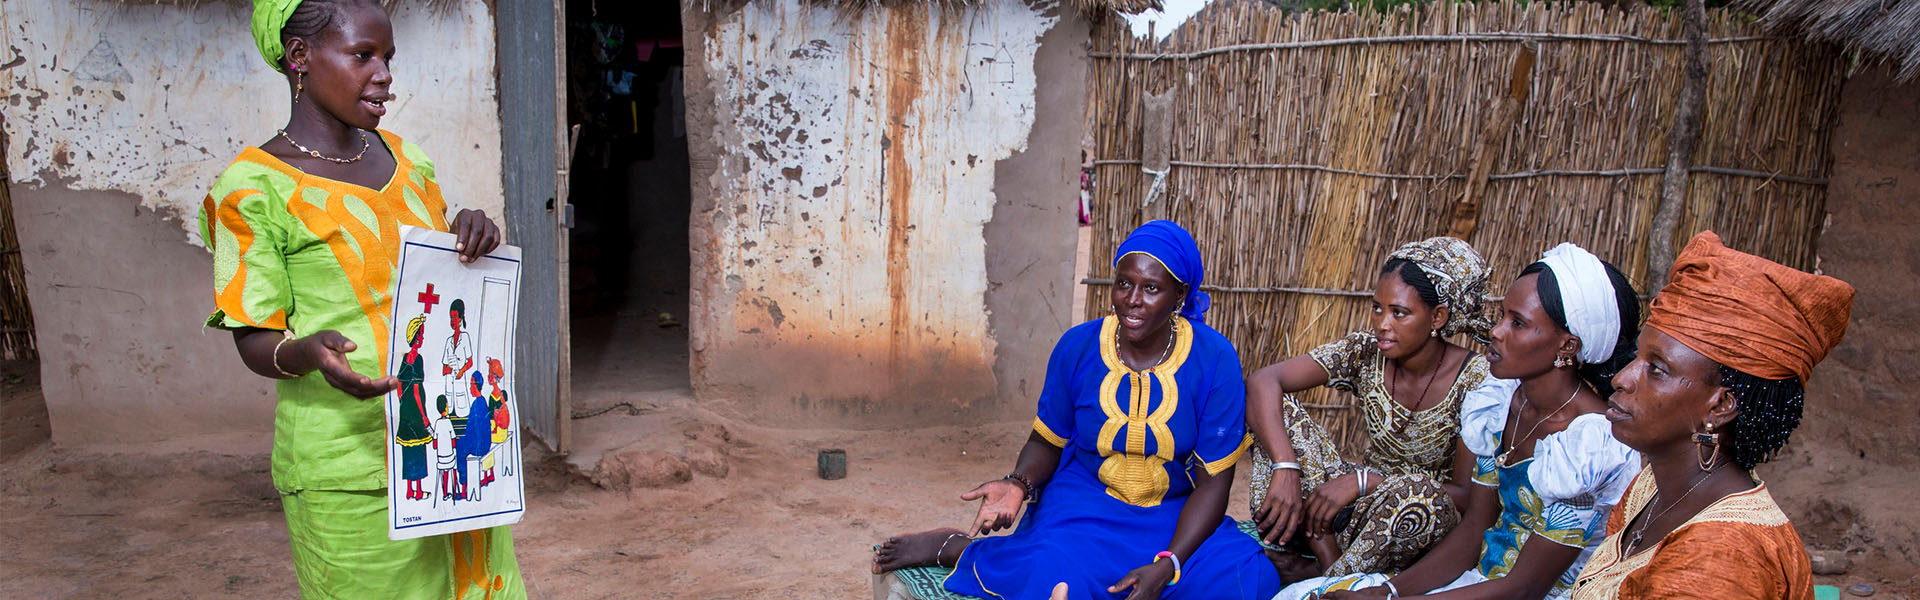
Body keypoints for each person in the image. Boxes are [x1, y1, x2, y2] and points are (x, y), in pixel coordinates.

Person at [199, 1, 522, 596]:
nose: (383, 73)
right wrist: (307, 353)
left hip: (454, 458)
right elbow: (252, 338)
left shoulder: (409, 161)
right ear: (299, 58)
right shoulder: (252, 189)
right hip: (347, 469)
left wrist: (469, 233)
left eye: (388, 57)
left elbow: (428, 278)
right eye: (362, 55)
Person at [872, 221, 1281, 600]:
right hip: (1085, 506)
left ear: (1180, 296)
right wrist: (1018, 483)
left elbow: (1213, 485)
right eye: (1124, 283)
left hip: (1172, 514)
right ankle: (956, 547)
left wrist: (1169, 563)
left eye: (1151, 289)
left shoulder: (1214, 359)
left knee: (1246, 579)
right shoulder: (1078, 346)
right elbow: (1046, 441)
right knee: (1054, 572)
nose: (1133, 300)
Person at [1284, 243, 1643, 600]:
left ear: (1567, 346)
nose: (1496, 332)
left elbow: (1525, 586)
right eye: (1502, 315)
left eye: (1517, 323)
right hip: (1479, 582)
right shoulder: (1501, 403)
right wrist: (1387, 591)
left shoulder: (1592, 443)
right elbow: (1474, 531)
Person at [1570, 231, 1852, 599]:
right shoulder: (1651, 489)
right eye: (1637, 358)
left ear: (1720, 407)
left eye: (1657, 369)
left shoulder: (1720, 560)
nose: (1622, 378)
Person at [1246, 237, 1495, 579]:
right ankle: (1310, 549)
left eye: (1399, 313)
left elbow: (1467, 496)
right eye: (1377, 307)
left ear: (1438, 317)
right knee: (1276, 410)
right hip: (1355, 505)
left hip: (1420, 519)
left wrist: (1365, 481)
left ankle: (1330, 578)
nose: (1382, 323)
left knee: (1418, 498)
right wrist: (1286, 466)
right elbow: (1263, 381)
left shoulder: (1475, 380)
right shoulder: (1365, 351)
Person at [396, 315, 433, 500]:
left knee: (408, 450)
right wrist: (424, 415)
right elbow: (417, 390)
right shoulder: (417, 359)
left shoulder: (404, 359)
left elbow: (399, 386)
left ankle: (410, 491)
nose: (423, 338)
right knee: (418, 450)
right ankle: (418, 491)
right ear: (416, 337)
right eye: (422, 335)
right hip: (416, 412)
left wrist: (404, 403)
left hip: (405, 411)